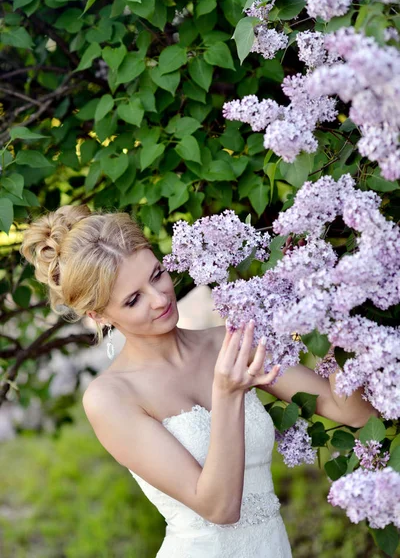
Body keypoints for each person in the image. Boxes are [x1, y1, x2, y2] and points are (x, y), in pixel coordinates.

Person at [20, 205, 378, 558]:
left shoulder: (230, 340)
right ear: (99, 315)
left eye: (157, 275)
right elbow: (219, 509)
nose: (161, 299)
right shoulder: (110, 398)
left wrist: (326, 320)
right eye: (133, 299)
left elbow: (354, 412)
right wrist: (227, 394)